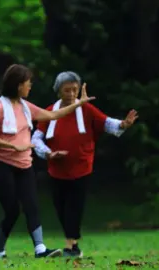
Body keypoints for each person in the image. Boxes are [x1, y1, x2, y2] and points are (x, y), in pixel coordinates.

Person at [0, 64, 96, 259]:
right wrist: (13, 146)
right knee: (12, 211)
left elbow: (53, 115)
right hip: (2, 165)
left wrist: (78, 104)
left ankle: (40, 249)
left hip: (24, 166)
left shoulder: (26, 107)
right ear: (18, 85)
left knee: (32, 206)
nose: (30, 87)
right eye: (28, 83)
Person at [30, 71, 137, 257]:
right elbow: (36, 139)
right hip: (56, 170)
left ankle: (72, 246)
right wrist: (49, 153)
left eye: (75, 90)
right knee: (61, 207)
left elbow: (106, 123)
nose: (71, 94)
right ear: (58, 92)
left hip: (81, 168)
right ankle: (72, 242)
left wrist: (123, 125)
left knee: (74, 206)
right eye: (67, 90)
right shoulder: (49, 112)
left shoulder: (86, 110)